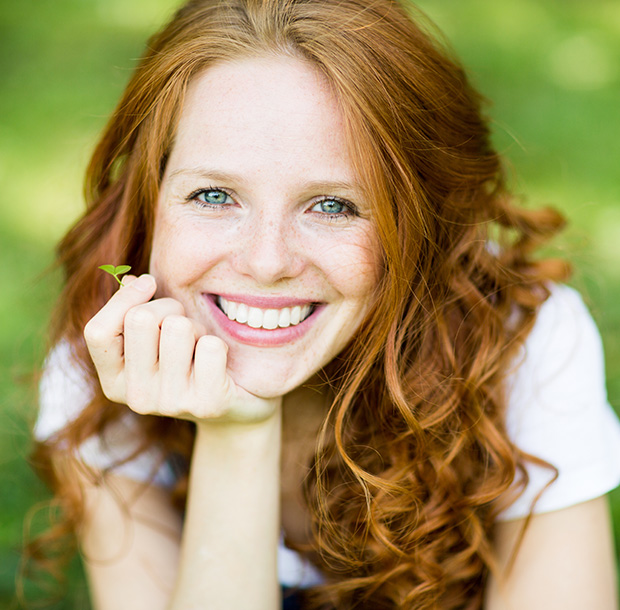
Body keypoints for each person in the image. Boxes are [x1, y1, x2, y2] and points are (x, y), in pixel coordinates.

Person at [29, 0, 620, 608]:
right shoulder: (105, 363)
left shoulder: (523, 342)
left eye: (333, 205)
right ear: (150, 200)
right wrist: (238, 433)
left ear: (415, 222)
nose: (266, 262)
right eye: (213, 195)